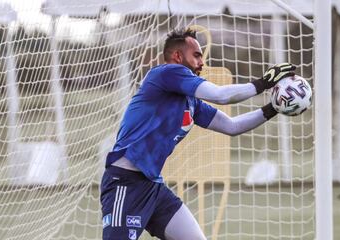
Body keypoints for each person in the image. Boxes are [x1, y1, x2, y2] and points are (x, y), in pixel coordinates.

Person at [100, 28, 295, 240]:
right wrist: (264, 82)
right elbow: (220, 95)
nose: (202, 62)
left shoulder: (191, 102)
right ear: (177, 56)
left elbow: (232, 126)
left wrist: (274, 107)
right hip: (125, 183)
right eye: (197, 55)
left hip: (153, 188)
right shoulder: (166, 73)